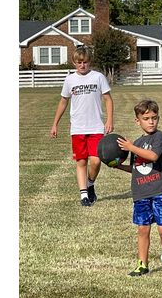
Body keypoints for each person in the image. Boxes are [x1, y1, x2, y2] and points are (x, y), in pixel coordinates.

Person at [110, 99, 162, 276]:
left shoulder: (159, 137)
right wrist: (119, 166)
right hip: (142, 193)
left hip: (161, 191)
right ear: (138, 121)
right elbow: (138, 168)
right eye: (146, 118)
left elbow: (152, 156)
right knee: (143, 229)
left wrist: (130, 147)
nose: (151, 121)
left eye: (154, 117)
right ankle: (142, 265)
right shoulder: (137, 143)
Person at [50, 46, 114, 207]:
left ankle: (90, 184)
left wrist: (109, 120)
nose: (82, 65)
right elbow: (64, 101)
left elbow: (108, 99)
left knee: (96, 161)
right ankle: (84, 195)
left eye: (85, 62)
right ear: (74, 62)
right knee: (81, 162)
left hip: (95, 127)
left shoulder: (98, 77)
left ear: (90, 62)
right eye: (79, 62)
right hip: (78, 128)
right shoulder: (70, 80)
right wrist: (55, 124)